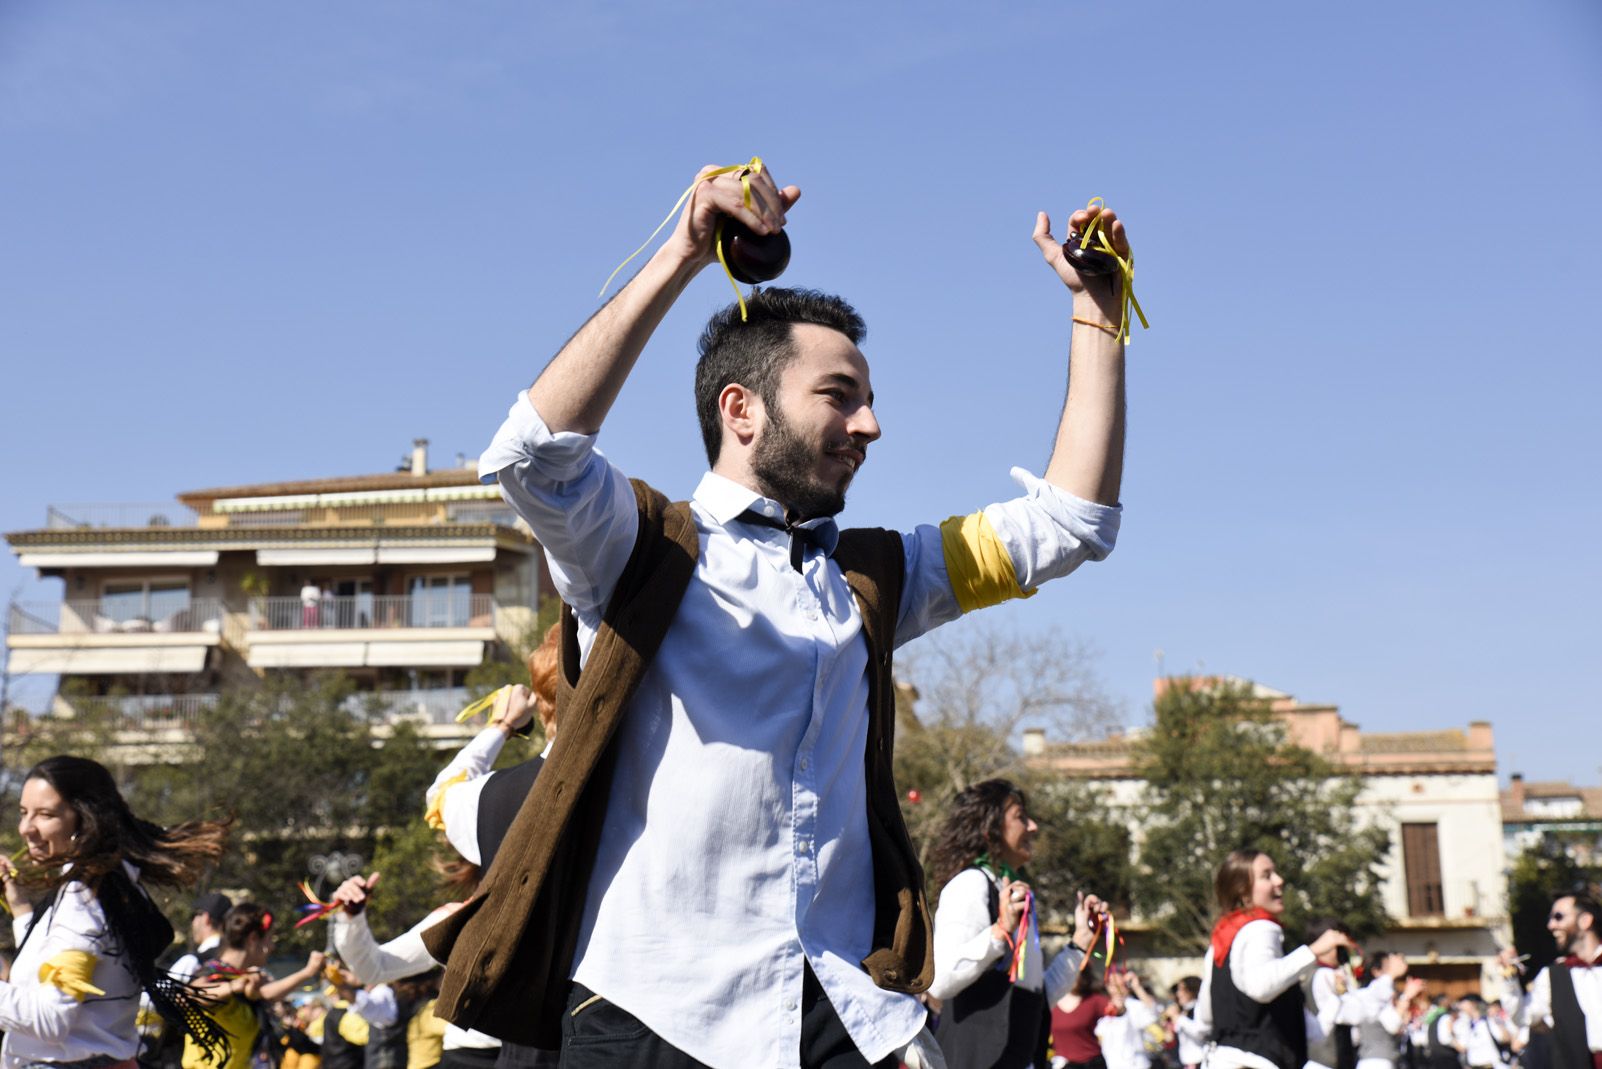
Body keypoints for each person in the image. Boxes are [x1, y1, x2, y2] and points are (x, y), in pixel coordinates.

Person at [425, 160, 1130, 1069]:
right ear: (742, 410)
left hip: (838, 1012)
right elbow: (533, 457)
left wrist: (1099, 316)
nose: (871, 424)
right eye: (840, 395)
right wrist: (682, 251)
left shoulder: (875, 574)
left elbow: (1071, 524)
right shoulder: (640, 550)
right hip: (648, 1019)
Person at [0, 755, 232, 1069]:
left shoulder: (82, 897)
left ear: (84, 819)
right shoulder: (109, 883)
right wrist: (19, 905)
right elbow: (50, 965)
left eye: (45, 814)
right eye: (24, 813)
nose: (26, 828)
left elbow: (50, 1020)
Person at [926, 778, 1110, 1068]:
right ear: (989, 831)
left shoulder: (1014, 895)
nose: (1033, 826)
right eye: (1020, 817)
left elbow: (1036, 997)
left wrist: (1081, 943)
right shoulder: (970, 885)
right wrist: (999, 932)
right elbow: (940, 981)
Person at [1194, 849, 1358, 1069]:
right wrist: (1314, 950)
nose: (1279, 880)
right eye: (1266, 875)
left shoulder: (1222, 938)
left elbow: (1205, 1015)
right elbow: (1261, 986)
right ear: (1243, 889)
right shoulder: (1262, 928)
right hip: (1256, 1060)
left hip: (1221, 1058)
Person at [183, 903, 327, 1069]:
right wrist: (233, 987)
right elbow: (191, 995)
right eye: (269, 939)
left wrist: (308, 972)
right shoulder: (213, 972)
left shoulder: (246, 977)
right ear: (253, 939)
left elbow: (267, 993)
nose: (272, 947)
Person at [1500, 893, 1602, 1069]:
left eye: (1558, 917)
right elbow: (1523, 1017)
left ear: (1585, 920)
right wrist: (1509, 977)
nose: (1551, 925)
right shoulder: (1552, 976)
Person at [171, 892, 233, 985]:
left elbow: (152, 998)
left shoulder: (193, 962)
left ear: (205, 918)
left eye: (193, 916)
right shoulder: (236, 959)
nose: (192, 923)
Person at [1166, 977, 1208, 1069]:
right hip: (1186, 1063)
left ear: (1191, 990)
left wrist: (1178, 1018)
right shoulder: (1184, 1010)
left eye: (1181, 990)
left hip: (1198, 1062)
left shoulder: (1199, 1008)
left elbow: (1199, 1031)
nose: (1178, 994)